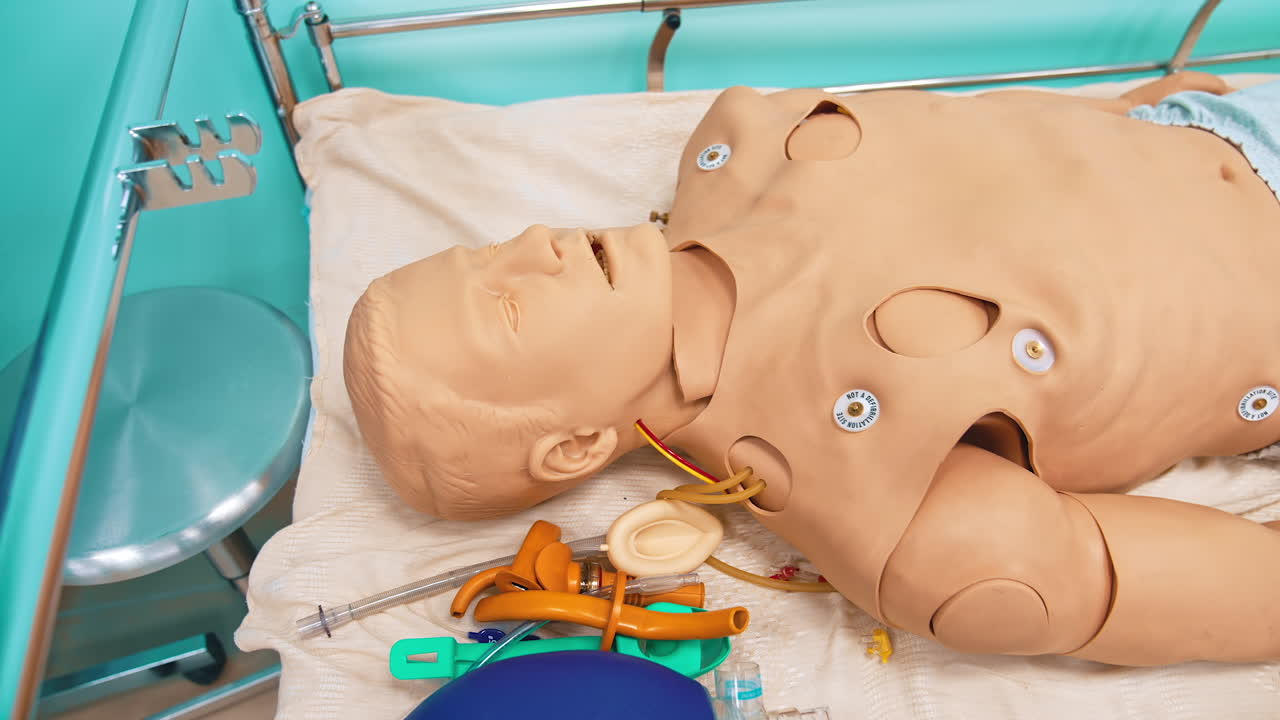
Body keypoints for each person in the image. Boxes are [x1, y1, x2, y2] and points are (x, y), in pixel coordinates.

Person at [343, 72, 1280, 666]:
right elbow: (1049, 576)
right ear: (574, 446)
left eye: (493, 249)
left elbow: (971, 142)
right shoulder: (879, 493)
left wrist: (1121, 118)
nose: (538, 243)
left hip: (1225, 123)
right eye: (507, 306)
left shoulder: (743, 147)